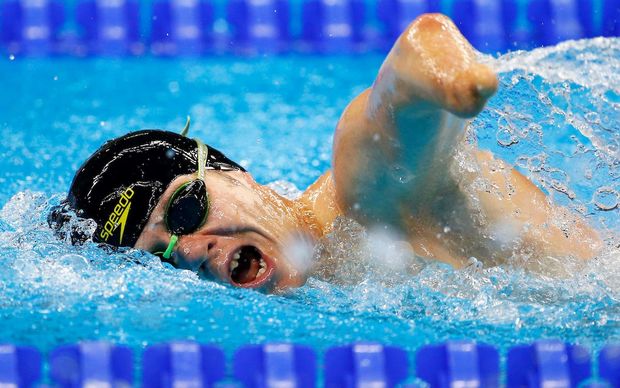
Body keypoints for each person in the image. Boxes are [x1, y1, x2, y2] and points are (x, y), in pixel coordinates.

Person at [49, 14, 602, 293]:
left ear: (232, 174)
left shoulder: (364, 195)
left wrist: (460, 82)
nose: (191, 251)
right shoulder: (323, 283)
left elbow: (416, 50)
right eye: (162, 257)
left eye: (186, 209)